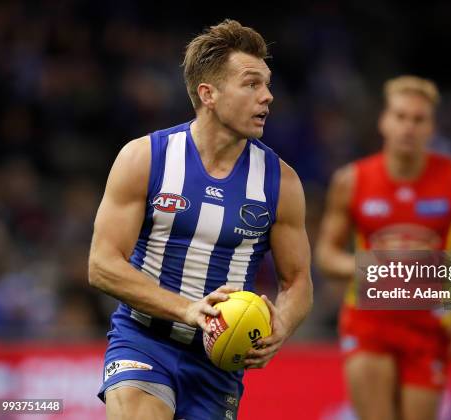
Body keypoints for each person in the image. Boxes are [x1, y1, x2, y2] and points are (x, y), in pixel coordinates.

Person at [88, 19, 313, 420]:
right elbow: (103, 266)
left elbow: (297, 283)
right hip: (143, 341)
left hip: (219, 366)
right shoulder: (145, 158)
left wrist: (282, 325)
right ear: (208, 93)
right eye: (251, 84)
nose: (268, 97)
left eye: (267, 84)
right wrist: (187, 309)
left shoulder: (283, 182)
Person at [315, 75, 451, 420]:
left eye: (418, 119)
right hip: (368, 324)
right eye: (400, 117)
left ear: (432, 126)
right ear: (384, 121)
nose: (408, 128)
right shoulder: (352, 181)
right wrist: (365, 267)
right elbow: (325, 254)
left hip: (429, 327)